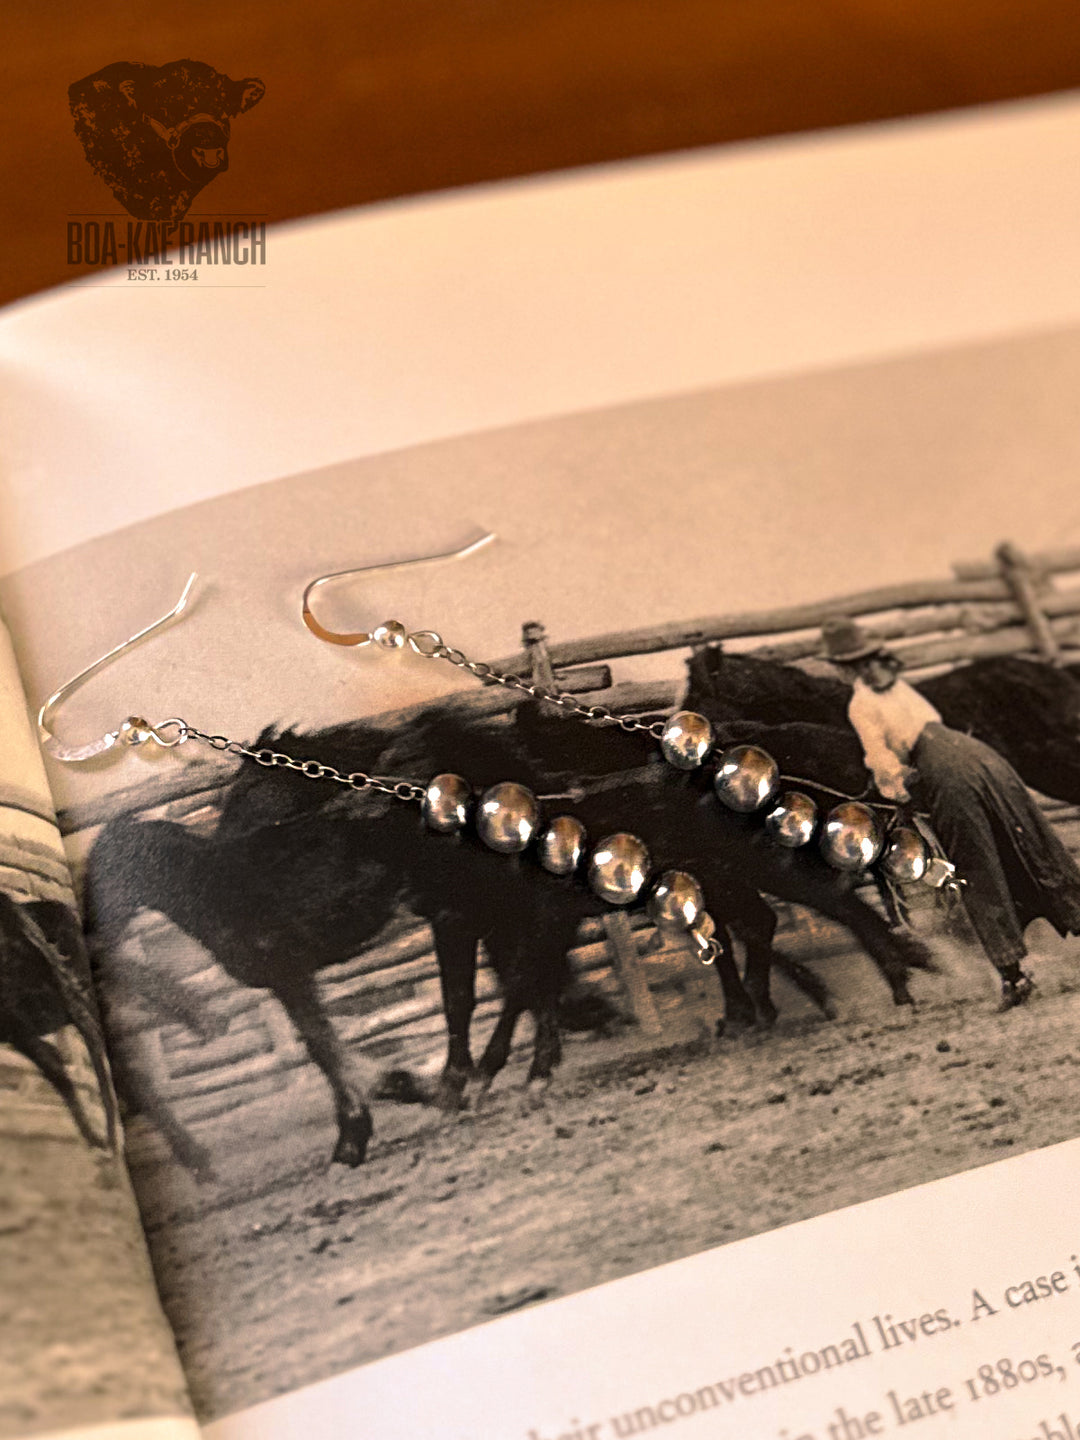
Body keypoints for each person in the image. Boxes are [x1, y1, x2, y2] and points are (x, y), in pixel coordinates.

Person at [821, 616, 1080, 1009]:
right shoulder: (896, 684)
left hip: (943, 768)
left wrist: (899, 795)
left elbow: (882, 761)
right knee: (1033, 839)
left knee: (974, 864)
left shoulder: (861, 703)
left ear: (841, 667)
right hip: (981, 756)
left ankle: (1013, 975)